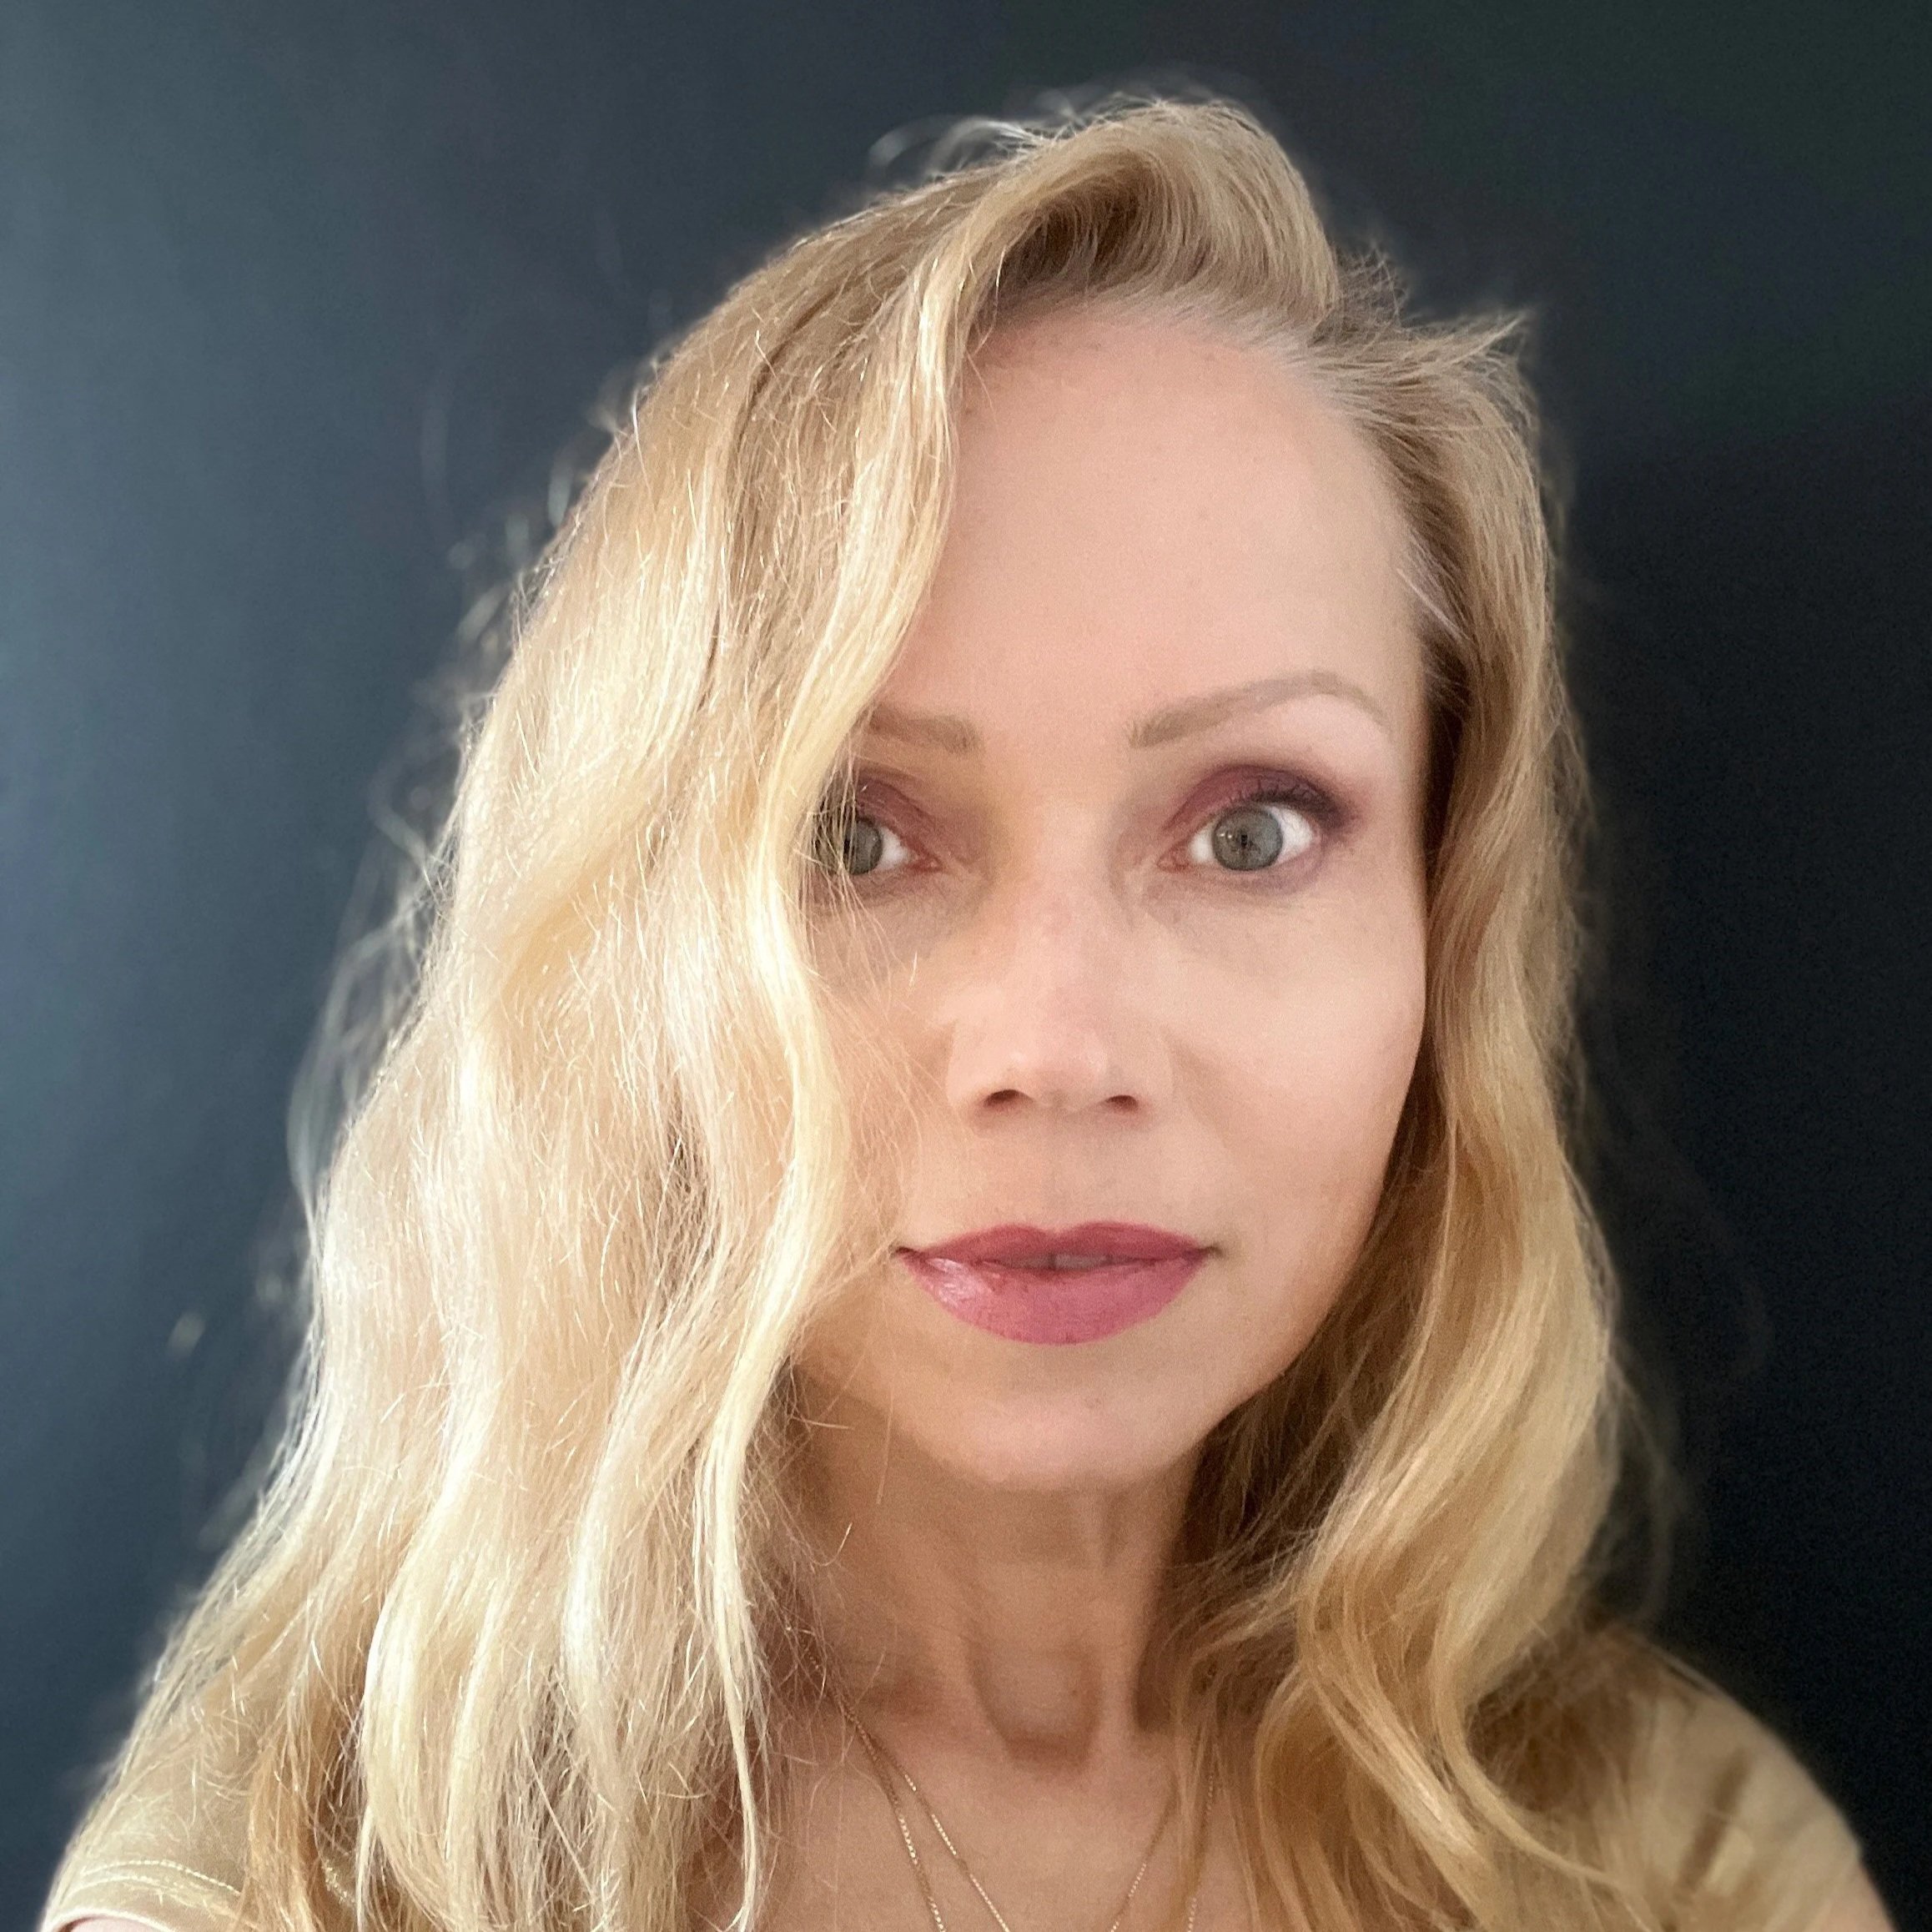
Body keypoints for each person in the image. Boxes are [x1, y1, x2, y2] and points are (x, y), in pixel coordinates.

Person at [41, 94, 1891, 1932]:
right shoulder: (304, 1880)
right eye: (858, 835)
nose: (1058, 1048)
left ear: (1445, 929)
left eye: (1251, 831)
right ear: (634, 944)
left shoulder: (1674, 1867)